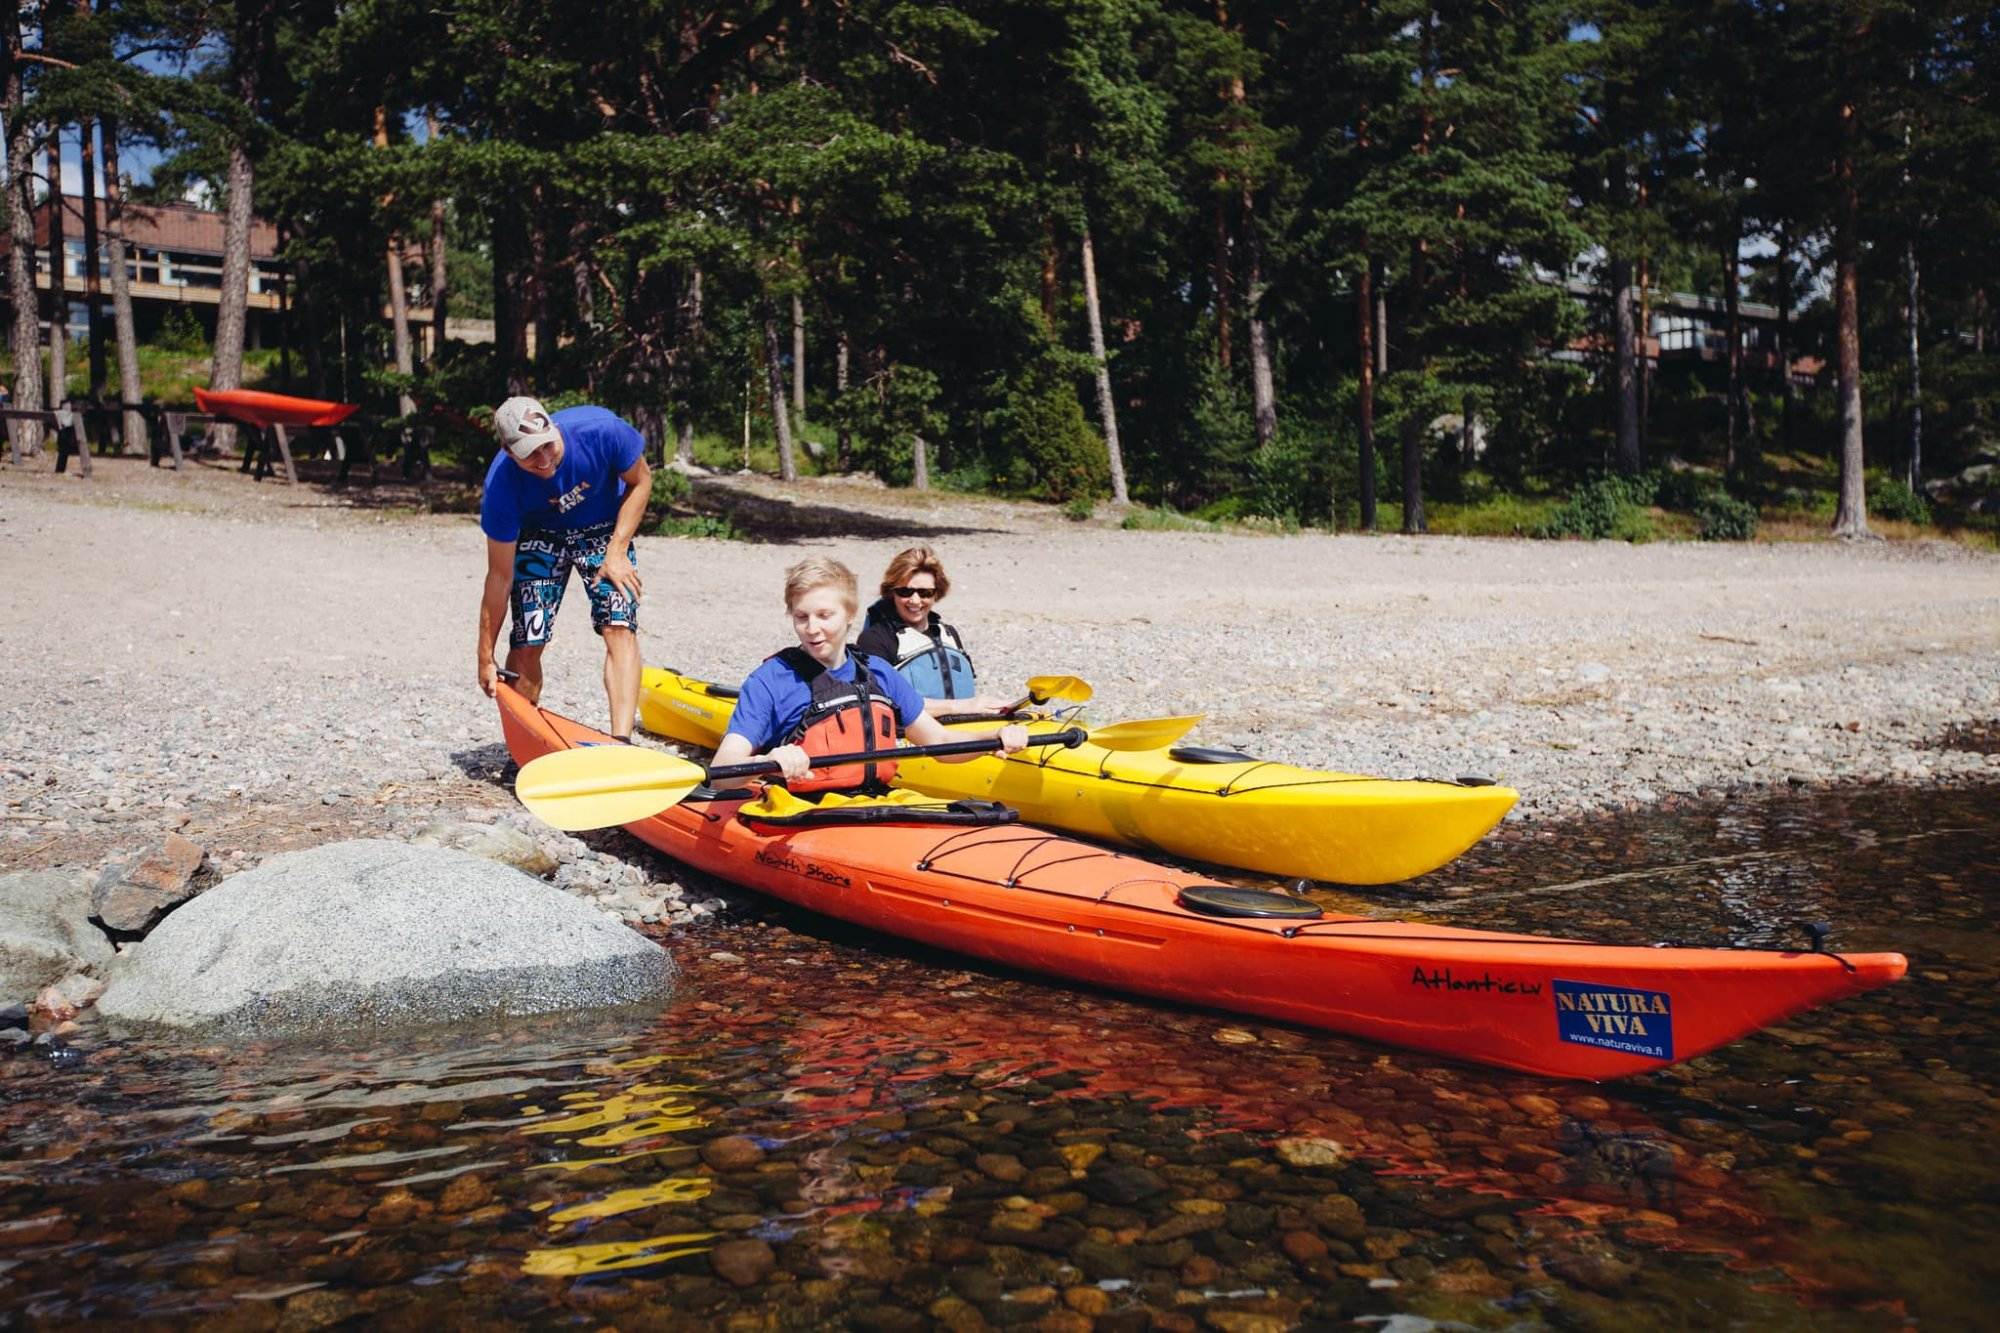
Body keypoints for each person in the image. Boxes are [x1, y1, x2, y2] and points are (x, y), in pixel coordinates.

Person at [709, 557, 1028, 790]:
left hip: (874, 802)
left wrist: (995, 738)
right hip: (801, 811)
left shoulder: (879, 673)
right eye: (801, 617)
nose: (812, 629)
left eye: (824, 615)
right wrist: (770, 761)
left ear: (849, 615)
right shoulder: (769, 681)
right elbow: (723, 770)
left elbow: (941, 742)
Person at [477, 395, 652, 740]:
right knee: (529, 636)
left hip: (603, 527)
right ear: (510, 453)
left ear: (554, 428)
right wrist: (484, 655)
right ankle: (525, 739)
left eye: (548, 446)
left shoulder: (603, 432)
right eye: (530, 454)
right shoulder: (501, 486)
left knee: (619, 623)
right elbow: (499, 577)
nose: (544, 460)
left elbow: (641, 480)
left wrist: (616, 551)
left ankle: (621, 743)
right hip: (540, 534)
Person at [852, 545, 1015, 717]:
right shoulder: (875, 639)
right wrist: (963, 706)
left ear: (937, 594)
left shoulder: (949, 634)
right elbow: (882, 700)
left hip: (963, 734)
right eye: (905, 592)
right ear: (892, 593)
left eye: (925, 593)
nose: (915, 601)